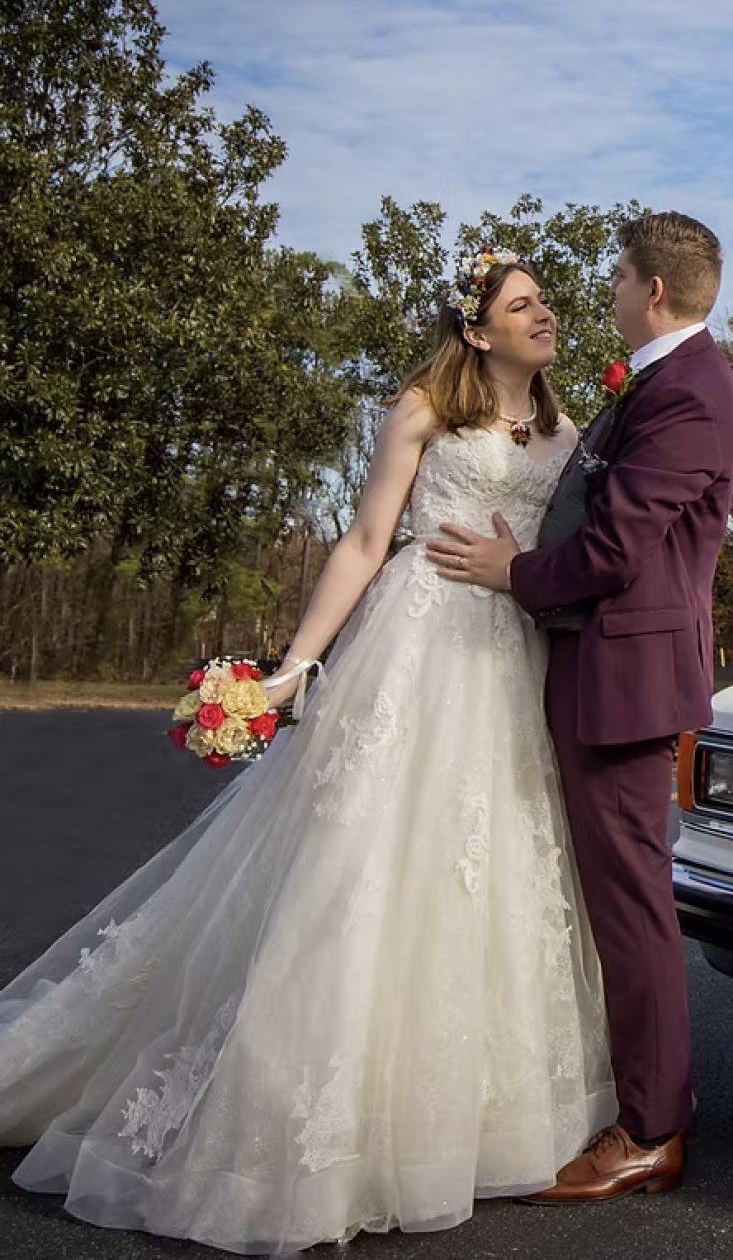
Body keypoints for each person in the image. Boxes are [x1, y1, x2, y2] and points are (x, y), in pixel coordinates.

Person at [0, 253, 616, 1252]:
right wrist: (291, 670)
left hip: (512, 656)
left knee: (488, 871)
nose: (545, 314)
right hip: (416, 649)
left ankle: (462, 1117)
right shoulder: (420, 408)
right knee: (358, 865)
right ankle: (304, 1129)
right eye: (522, 304)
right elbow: (367, 541)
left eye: (544, 300)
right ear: (476, 329)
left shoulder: (565, 432)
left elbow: (568, 549)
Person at [427, 212, 733, 1204]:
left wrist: (507, 567)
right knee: (614, 895)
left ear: (652, 288)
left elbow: (613, 550)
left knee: (631, 903)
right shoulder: (661, 381)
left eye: (614, 275)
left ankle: (652, 1127)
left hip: (624, 680)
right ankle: (640, 1100)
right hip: (601, 667)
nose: (602, 290)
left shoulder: (689, 394)